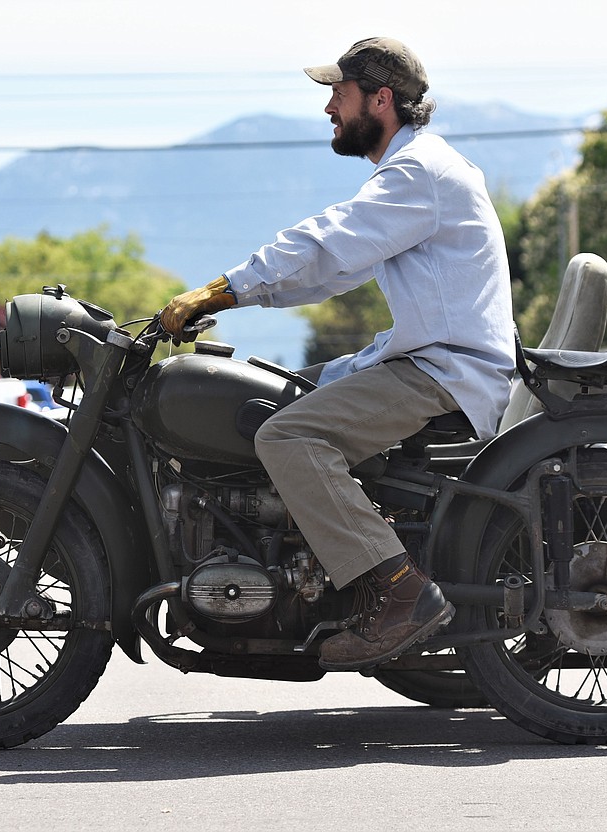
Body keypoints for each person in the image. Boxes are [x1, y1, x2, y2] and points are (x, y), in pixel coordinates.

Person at [161, 37, 516, 671]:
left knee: (288, 437)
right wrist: (239, 296)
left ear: (381, 100)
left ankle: (401, 592)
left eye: (339, 93)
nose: (329, 107)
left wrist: (220, 290)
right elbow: (328, 274)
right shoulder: (415, 173)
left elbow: (328, 243)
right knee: (276, 393)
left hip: (443, 373)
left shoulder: (419, 173)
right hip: (429, 360)